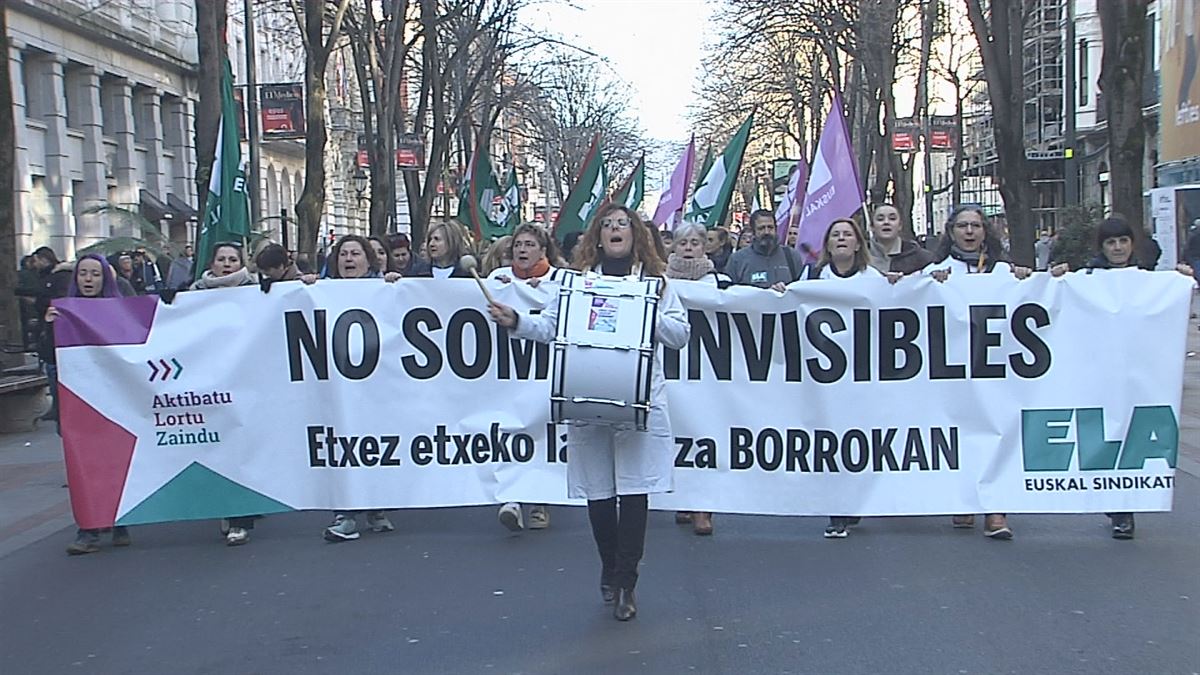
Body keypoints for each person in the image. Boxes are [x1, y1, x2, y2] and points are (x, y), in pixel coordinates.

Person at [487, 204, 690, 621]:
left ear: (636, 235)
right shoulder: (577, 284)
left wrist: (647, 311)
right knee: (599, 492)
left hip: (638, 399)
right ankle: (609, 567)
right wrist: (515, 321)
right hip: (586, 396)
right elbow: (549, 329)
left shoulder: (657, 283)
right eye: (608, 225)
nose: (616, 230)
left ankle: (627, 581)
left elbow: (680, 335)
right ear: (597, 237)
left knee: (634, 491)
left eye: (624, 225)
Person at [924, 205, 1050, 540]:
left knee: (997, 433)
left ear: (985, 232)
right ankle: (964, 499)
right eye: (962, 226)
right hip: (955, 371)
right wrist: (928, 285)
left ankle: (996, 510)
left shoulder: (1003, 271)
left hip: (995, 370)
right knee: (961, 435)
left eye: (975, 226)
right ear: (950, 232)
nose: (969, 232)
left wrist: (1031, 281)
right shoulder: (937, 271)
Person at [1076, 216, 1193, 539]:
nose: (1117, 248)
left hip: (1138, 373)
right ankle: (1116, 504)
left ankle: (1123, 507)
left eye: (1122, 242)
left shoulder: (1148, 279)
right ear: (1102, 247)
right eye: (1111, 243)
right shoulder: (1086, 279)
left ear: (1131, 244)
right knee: (1104, 434)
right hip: (1099, 372)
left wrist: (1180, 280)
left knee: (1130, 434)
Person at [798, 219, 901, 537]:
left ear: (859, 244)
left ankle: (854, 501)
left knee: (861, 440)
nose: (841, 239)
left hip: (864, 377)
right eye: (835, 235)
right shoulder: (812, 276)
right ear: (827, 244)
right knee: (831, 439)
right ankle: (838, 510)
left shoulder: (876, 280)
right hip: (823, 379)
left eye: (848, 235)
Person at [301, 235, 401, 542]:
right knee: (342, 445)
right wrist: (302, 285)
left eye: (355, 253)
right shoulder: (321, 291)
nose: (349, 259)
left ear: (368, 260)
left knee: (376, 443)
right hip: (337, 386)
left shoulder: (385, 289)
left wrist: (397, 284)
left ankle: (377, 508)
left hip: (376, 384)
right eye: (343, 253)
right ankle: (344, 514)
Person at [42, 255, 135, 554]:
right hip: (79, 401)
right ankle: (89, 529)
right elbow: (48, 355)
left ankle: (120, 521)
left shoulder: (119, 311)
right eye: (83, 273)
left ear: (105, 279)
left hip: (113, 399)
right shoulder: (63, 312)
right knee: (83, 463)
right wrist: (49, 328)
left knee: (115, 461)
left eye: (95, 274)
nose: (89, 279)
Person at [487, 224, 566, 532]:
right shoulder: (497, 280)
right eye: (518, 244)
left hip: (544, 371)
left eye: (529, 244)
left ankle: (540, 502)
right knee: (508, 430)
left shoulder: (559, 282)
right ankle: (512, 498)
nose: (522, 250)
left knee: (542, 433)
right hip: (507, 372)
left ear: (543, 250)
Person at [188, 242, 261, 545]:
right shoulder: (192, 294)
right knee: (216, 448)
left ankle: (239, 516)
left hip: (248, 382)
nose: (227, 264)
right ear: (212, 263)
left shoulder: (261, 292)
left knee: (240, 447)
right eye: (222, 259)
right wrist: (167, 304)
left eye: (233, 259)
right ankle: (224, 506)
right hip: (210, 384)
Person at [664, 223, 728, 536]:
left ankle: (705, 507)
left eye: (695, 242)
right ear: (673, 247)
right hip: (671, 369)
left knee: (706, 434)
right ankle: (684, 499)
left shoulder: (722, 282)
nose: (689, 247)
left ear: (705, 247)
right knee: (678, 435)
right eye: (682, 242)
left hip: (708, 369)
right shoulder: (658, 282)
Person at [725, 209, 805, 290]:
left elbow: (801, 290)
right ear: (753, 231)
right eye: (761, 228)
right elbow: (729, 294)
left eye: (770, 227)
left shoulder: (792, 256)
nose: (766, 232)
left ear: (775, 229)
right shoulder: (737, 260)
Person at [867, 204, 935, 275]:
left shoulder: (921, 257)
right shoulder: (860, 257)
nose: (886, 222)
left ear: (900, 225)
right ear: (872, 226)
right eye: (880, 219)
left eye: (892, 218)